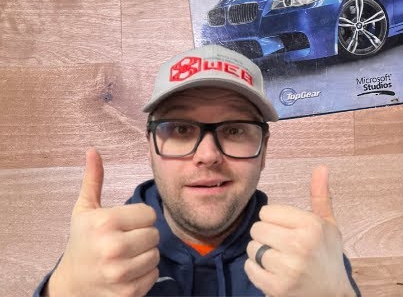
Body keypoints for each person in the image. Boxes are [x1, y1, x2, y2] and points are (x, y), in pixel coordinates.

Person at [36, 44, 361, 296]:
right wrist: (62, 292)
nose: (208, 155)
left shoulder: (307, 257)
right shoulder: (103, 255)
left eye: (234, 130)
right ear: (150, 147)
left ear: (263, 151)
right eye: (180, 129)